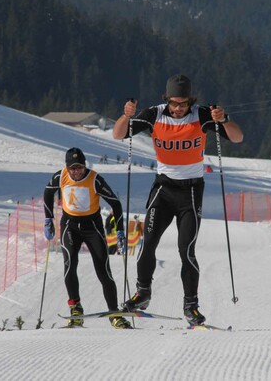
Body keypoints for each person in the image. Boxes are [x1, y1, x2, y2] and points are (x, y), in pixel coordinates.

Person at [112, 74, 244, 325]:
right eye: (174, 103)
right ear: (167, 100)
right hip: (163, 189)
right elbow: (118, 135)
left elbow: (237, 138)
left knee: (187, 249)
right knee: (147, 242)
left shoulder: (203, 114)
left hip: (191, 192)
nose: (178, 108)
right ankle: (142, 293)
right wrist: (127, 116)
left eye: (183, 104)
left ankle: (191, 306)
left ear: (190, 101)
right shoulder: (154, 114)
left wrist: (224, 120)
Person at [43, 147, 132, 329]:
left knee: (103, 270)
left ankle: (114, 313)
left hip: (93, 226)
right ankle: (76, 309)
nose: (76, 172)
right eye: (73, 168)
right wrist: (48, 219)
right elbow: (47, 192)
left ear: (84, 167)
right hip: (70, 225)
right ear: (67, 167)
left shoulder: (95, 179)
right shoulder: (60, 176)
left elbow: (115, 203)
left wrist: (120, 231)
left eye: (80, 168)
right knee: (69, 266)